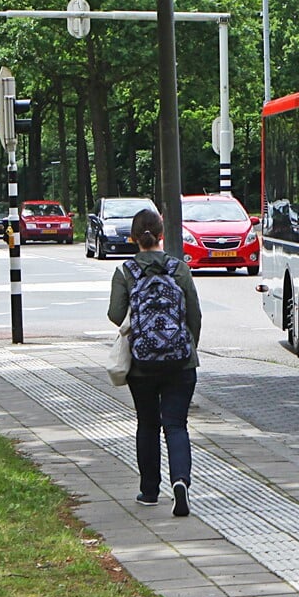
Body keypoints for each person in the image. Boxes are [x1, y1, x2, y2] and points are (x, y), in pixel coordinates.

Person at [107, 207, 202, 517]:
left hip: (141, 364)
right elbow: (194, 315)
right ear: (162, 235)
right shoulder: (179, 269)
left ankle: (149, 491)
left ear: (134, 238)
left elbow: (115, 314)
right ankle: (181, 482)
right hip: (180, 363)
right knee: (176, 425)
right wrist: (188, 348)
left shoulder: (125, 272)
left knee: (147, 424)